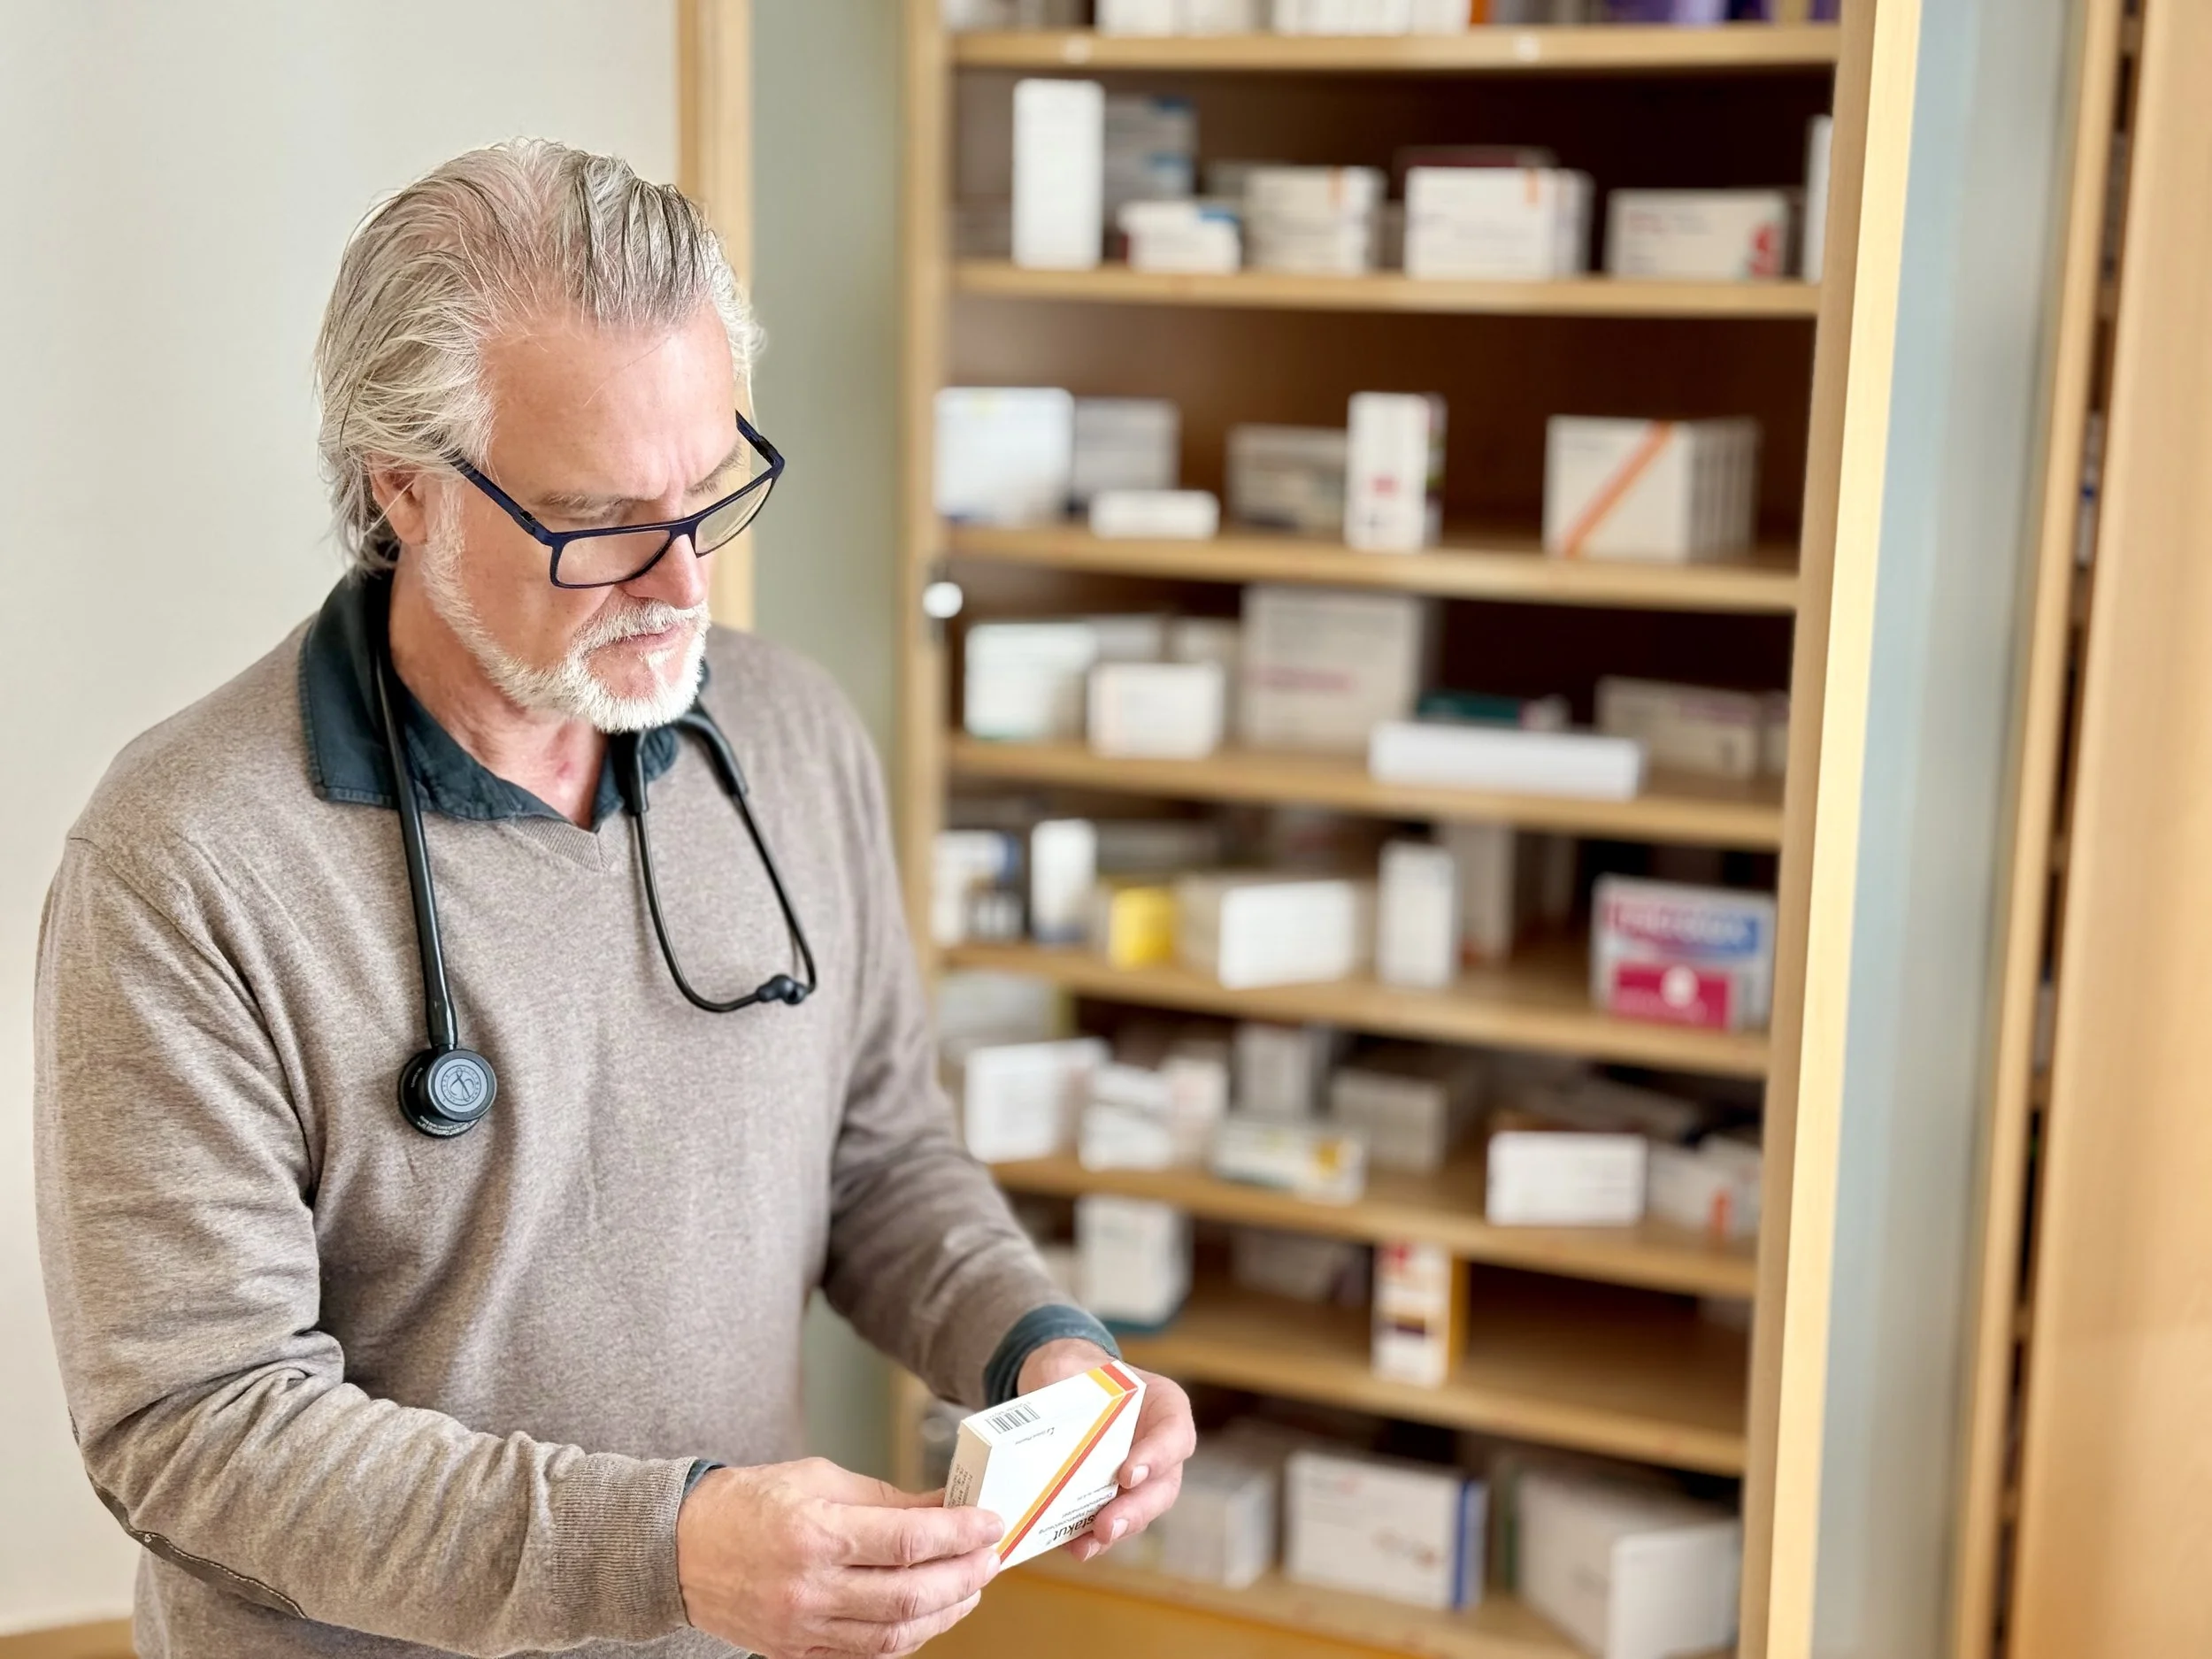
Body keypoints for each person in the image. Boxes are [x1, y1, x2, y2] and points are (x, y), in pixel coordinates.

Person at [33, 139, 1193, 1659]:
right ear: (406, 487)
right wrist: (666, 1546)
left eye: (706, 492)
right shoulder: (186, 860)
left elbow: (878, 1149)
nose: (682, 584)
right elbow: (197, 1423)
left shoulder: (785, 739)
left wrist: (1032, 1345)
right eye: (597, 522)